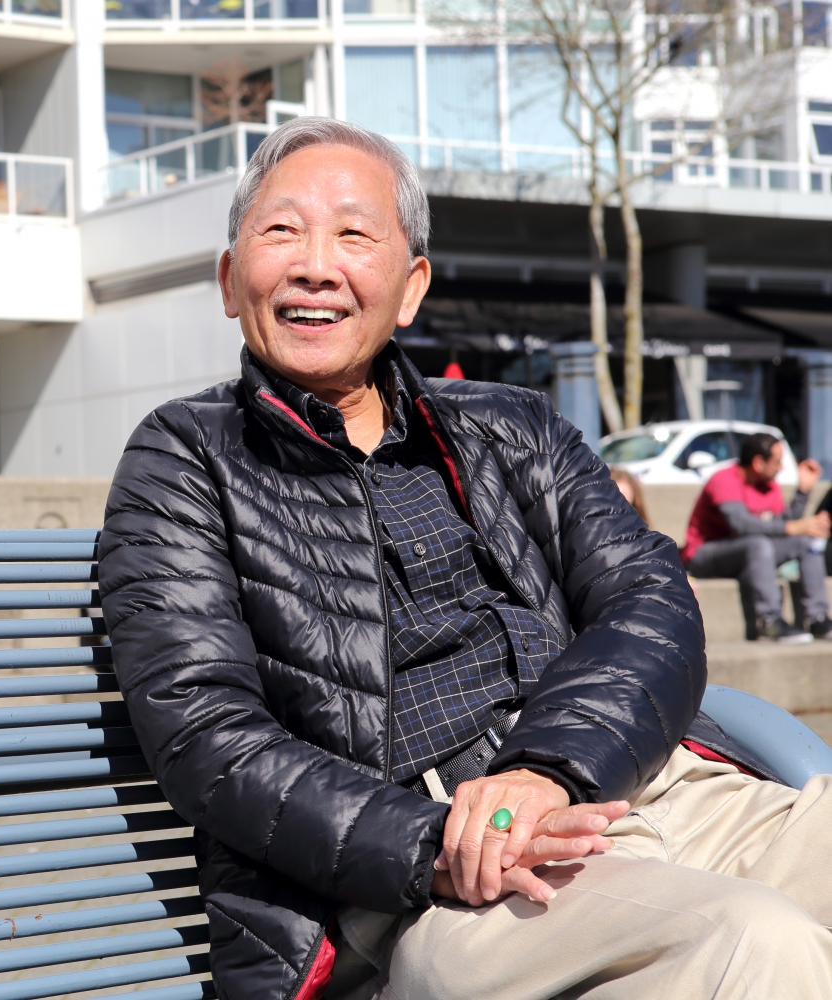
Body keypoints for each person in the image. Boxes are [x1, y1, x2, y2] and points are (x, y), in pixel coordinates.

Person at [98, 116, 832, 1000]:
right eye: (281, 230)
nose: (315, 266)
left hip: (644, 783)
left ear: (410, 289)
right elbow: (206, 733)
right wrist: (436, 843)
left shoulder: (511, 425)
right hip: (434, 884)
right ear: (228, 279)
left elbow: (651, 598)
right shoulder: (184, 459)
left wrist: (548, 770)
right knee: (756, 942)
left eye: (354, 234)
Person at [681, 433, 830, 642]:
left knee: (805, 543)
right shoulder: (724, 480)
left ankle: (818, 618)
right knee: (758, 544)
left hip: (751, 553)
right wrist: (793, 527)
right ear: (758, 462)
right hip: (704, 554)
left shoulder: (769, 486)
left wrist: (803, 492)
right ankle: (770, 621)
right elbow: (741, 524)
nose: (782, 468)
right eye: (777, 462)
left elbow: (779, 526)